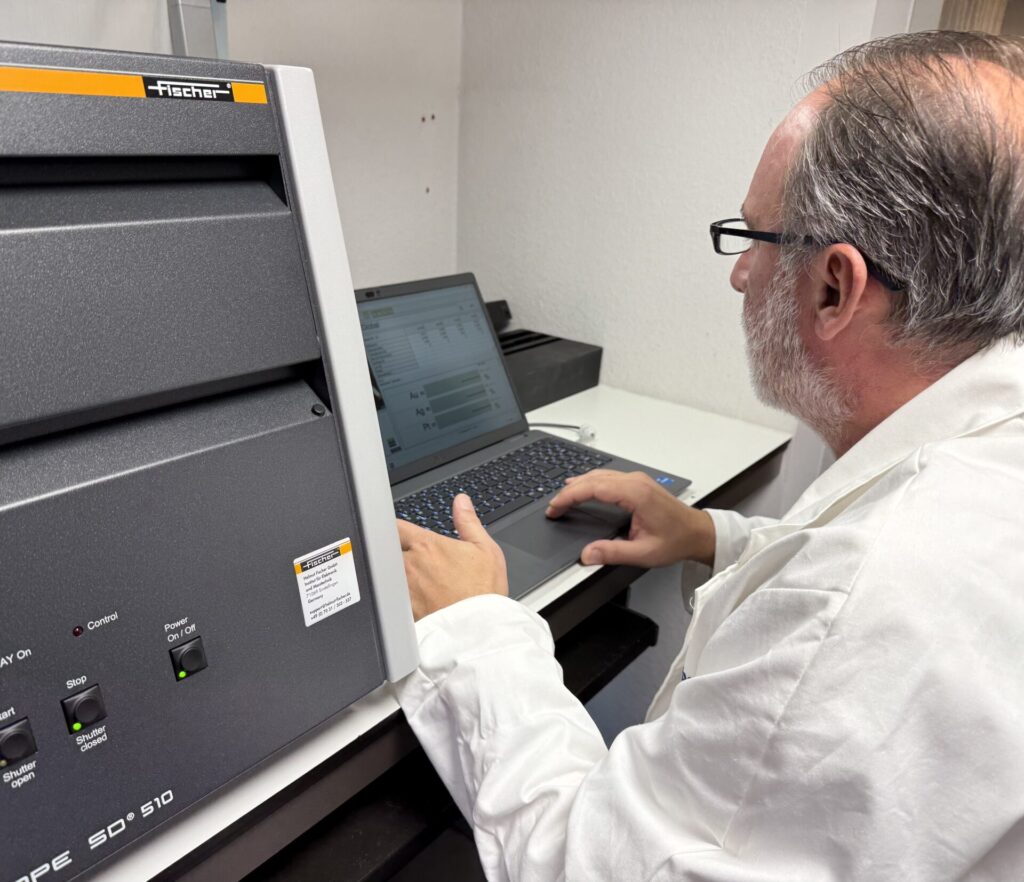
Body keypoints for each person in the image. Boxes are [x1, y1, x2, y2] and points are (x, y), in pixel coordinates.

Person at [394, 31, 1024, 881]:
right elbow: (839, 556)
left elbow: (588, 864)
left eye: (754, 237)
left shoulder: (878, 598)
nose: (740, 275)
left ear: (835, 286)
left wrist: (474, 623)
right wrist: (709, 536)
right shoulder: (982, 455)